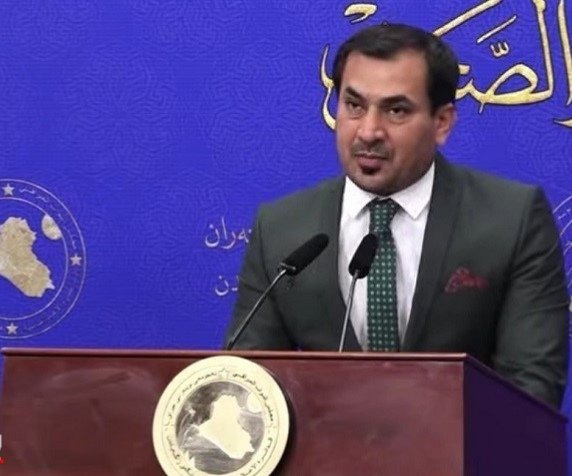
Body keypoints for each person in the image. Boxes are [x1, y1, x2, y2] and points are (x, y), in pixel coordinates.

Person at [224, 23, 569, 408]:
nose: (369, 131)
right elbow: (247, 387)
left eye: (396, 110)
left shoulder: (512, 219)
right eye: (354, 106)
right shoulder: (281, 228)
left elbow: (531, 388)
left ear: (442, 123)